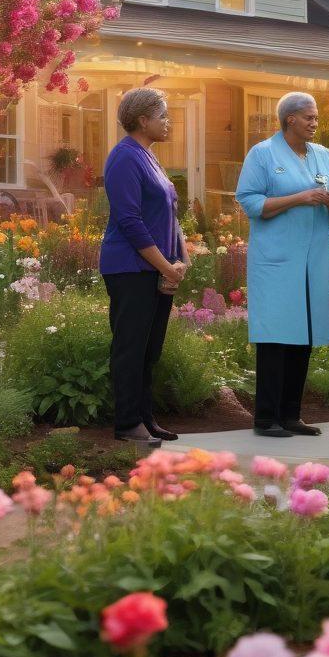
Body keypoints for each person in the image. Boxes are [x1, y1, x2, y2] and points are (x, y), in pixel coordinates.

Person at [235, 91, 329, 438]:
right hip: (277, 260)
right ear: (290, 119)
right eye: (309, 117)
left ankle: (291, 415)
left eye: (316, 118)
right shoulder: (263, 154)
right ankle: (265, 418)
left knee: (304, 335)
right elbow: (250, 201)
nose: (315, 123)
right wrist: (299, 198)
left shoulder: (324, 155)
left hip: (314, 258)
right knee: (276, 335)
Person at [100, 88, 189, 444]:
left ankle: (145, 419)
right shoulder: (124, 158)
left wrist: (181, 259)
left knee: (150, 349)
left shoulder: (148, 156)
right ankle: (127, 423)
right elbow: (130, 221)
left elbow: (170, 213)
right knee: (131, 346)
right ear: (142, 120)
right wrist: (166, 266)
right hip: (130, 268)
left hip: (156, 268)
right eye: (162, 115)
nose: (168, 121)